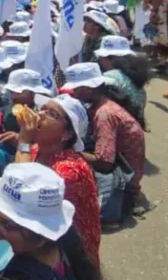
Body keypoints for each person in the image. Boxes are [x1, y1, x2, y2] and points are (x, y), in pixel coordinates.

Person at [12, 95, 101, 265]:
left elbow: (23, 196)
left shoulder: (69, 169)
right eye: (42, 109)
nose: (40, 115)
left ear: (67, 134)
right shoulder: (36, 149)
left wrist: (24, 140)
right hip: (41, 235)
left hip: (69, 258)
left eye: (52, 114)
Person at [62, 62, 146, 209]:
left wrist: (69, 151)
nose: (73, 94)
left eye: (75, 89)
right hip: (122, 163)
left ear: (88, 89)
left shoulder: (104, 114)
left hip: (124, 178)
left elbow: (104, 163)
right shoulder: (103, 103)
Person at [94, 36, 150, 125]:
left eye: (101, 57)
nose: (100, 60)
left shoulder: (110, 77)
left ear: (110, 58)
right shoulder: (135, 77)